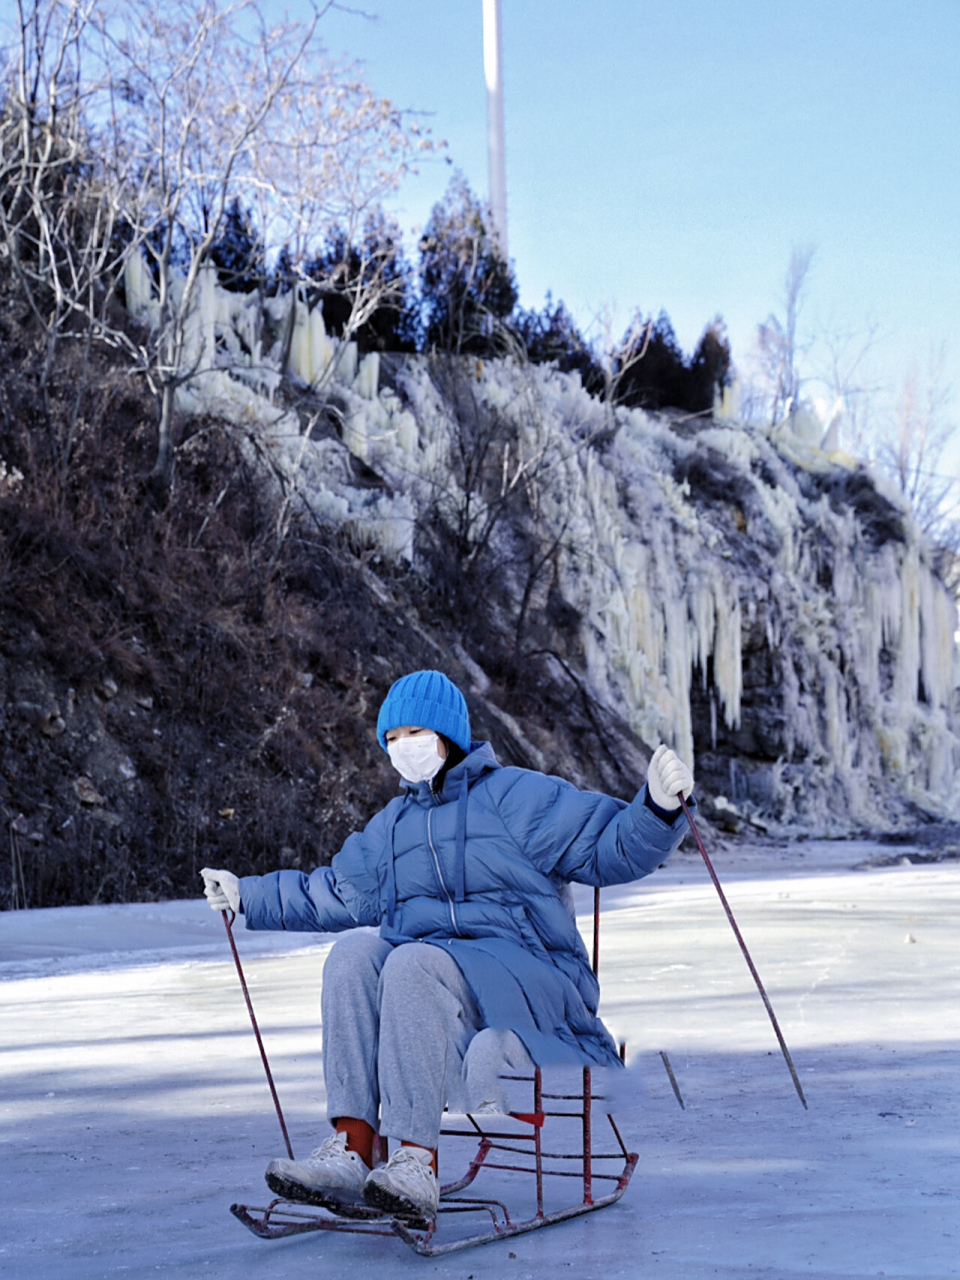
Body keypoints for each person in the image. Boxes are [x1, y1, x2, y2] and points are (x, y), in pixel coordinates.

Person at [201, 669, 694, 1223]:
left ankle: (415, 1159)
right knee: (354, 955)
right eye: (391, 739)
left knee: (412, 959)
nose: (401, 748)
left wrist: (657, 808)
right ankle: (354, 1146)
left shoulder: (517, 797)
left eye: (413, 733)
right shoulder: (392, 827)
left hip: (529, 984)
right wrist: (250, 896)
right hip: (440, 993)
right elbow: (334, 894)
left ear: (447, 735)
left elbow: (609, 848)